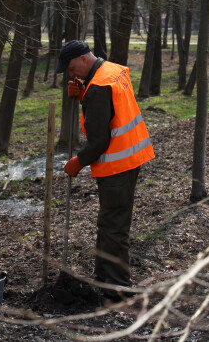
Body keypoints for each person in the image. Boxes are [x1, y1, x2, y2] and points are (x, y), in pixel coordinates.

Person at [57, 40, 155, 301]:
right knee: (111, 222)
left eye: (70, 68)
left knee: (113, 226)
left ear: (82, 59)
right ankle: (104, 279)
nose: (70, 74)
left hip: (117, 164)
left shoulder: (98, 87)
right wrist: (83, 94)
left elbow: (99, 140)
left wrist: (78, 162)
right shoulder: (110, 71)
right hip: (130, 157)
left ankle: (118, 288)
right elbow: (112, 111)